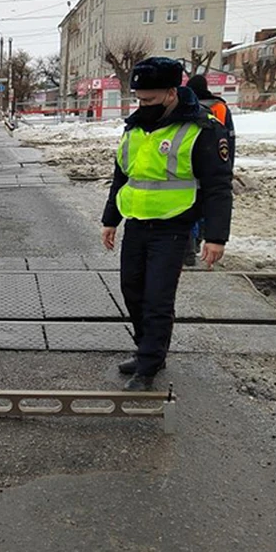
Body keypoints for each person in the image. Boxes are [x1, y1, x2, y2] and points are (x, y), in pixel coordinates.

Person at [101, 57, 234, 391]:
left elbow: (219, 186)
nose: (142, 105)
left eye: (150, 99)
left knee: (157, 298)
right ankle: (149, 350)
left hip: (174, 228)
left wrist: (215, 237)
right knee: (132, 291)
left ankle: (147, 366)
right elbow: (123, 176)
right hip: (136, 225)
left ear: (172, 93)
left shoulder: (201, 128)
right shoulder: (135, 127)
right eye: (139, 99)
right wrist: (110, 220)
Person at [183, 74, 236, 267]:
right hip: (215, 162)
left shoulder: (186, 106)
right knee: (208, 204)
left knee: (189, 206)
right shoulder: (219, 107)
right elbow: (229, 137)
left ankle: (191, 247)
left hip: (189, 163)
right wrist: (228, 164)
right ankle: (200, 241)